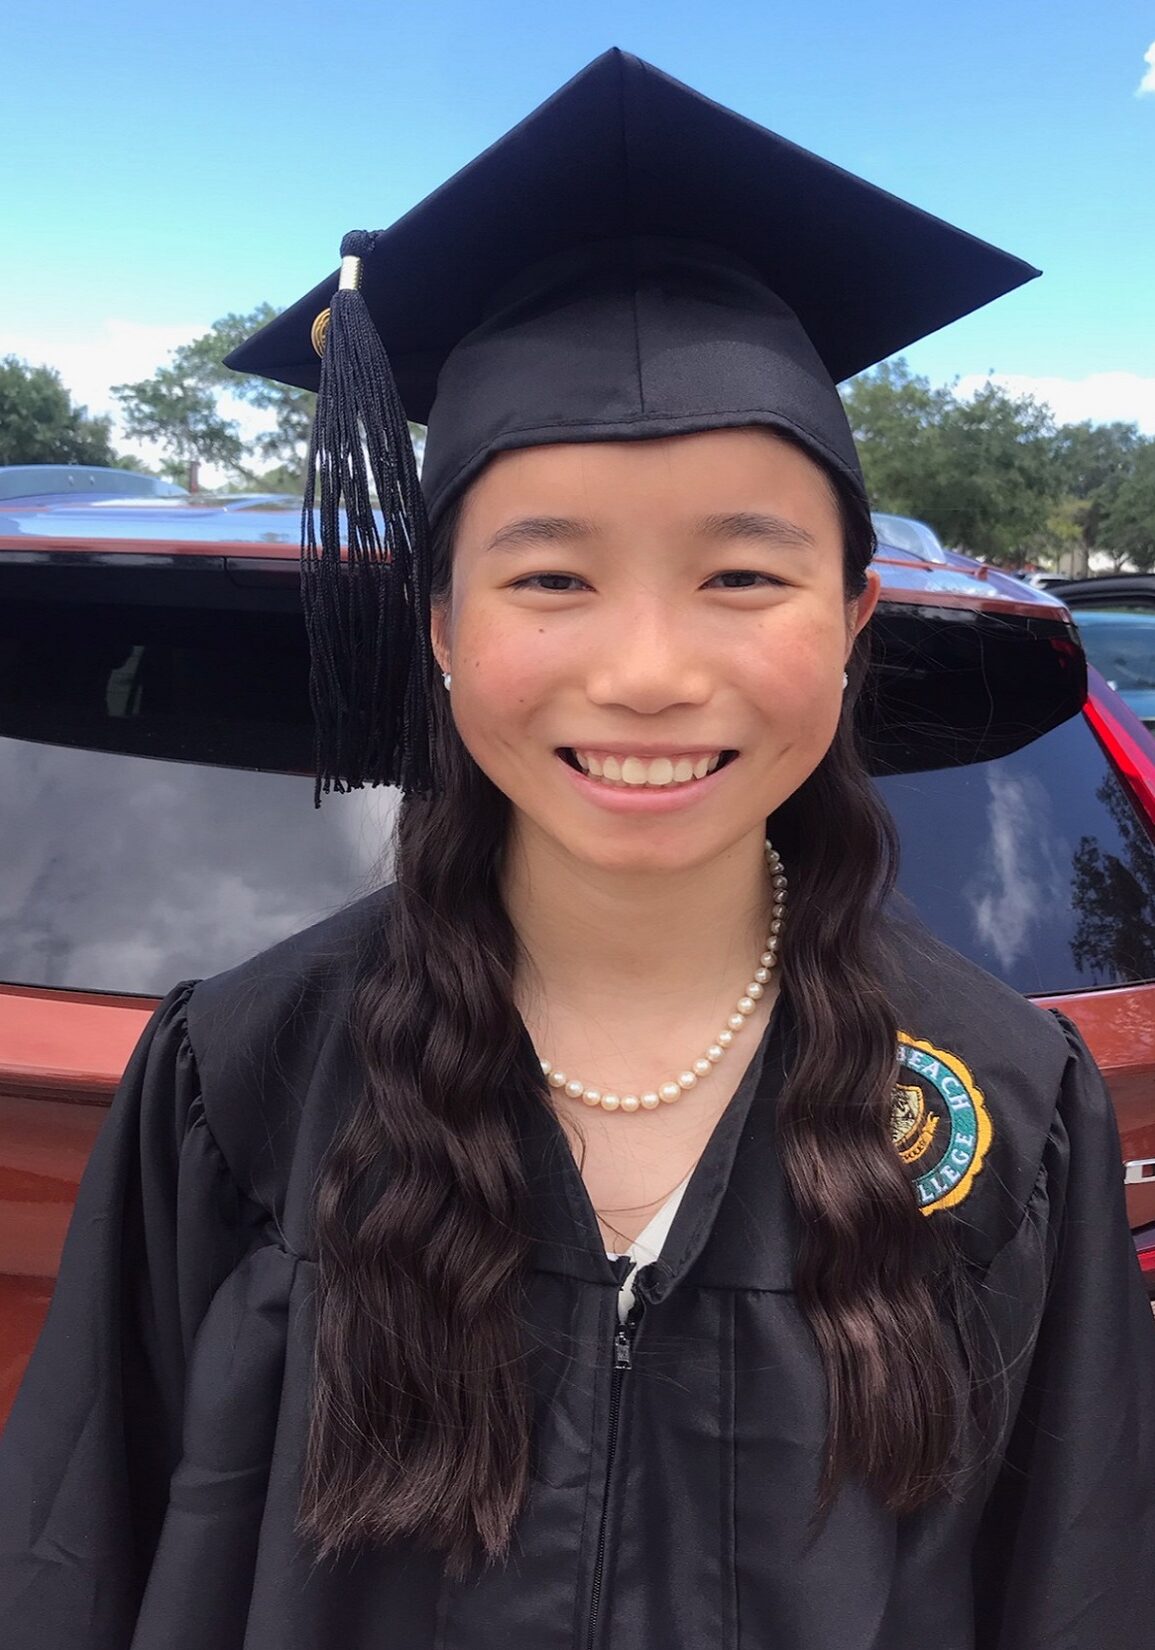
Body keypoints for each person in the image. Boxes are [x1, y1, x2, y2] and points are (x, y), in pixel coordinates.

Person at [1, 48, 1152, 1650]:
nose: (650, 670)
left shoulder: (1006, 1112)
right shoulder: (241, 1085)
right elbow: (70, 1578)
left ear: (854, 623)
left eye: (745, 576)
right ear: (445, 630)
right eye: (551, 578)